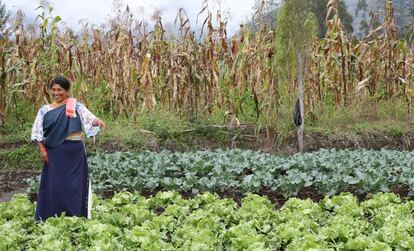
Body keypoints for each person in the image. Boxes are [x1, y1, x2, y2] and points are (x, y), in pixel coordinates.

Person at [30, 76, 105, 221]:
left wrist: (98, 121)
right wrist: (42, 150)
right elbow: (37, 132)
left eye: (60, 90)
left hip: (74, 152)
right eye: (53, 90)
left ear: (66, 91)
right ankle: (51, 215)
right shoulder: (44, 111)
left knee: (75, 185)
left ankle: (75, 215)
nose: (56, 93)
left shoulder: (75, 106)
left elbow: (89, 118)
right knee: (54, 184)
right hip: (55, 152)